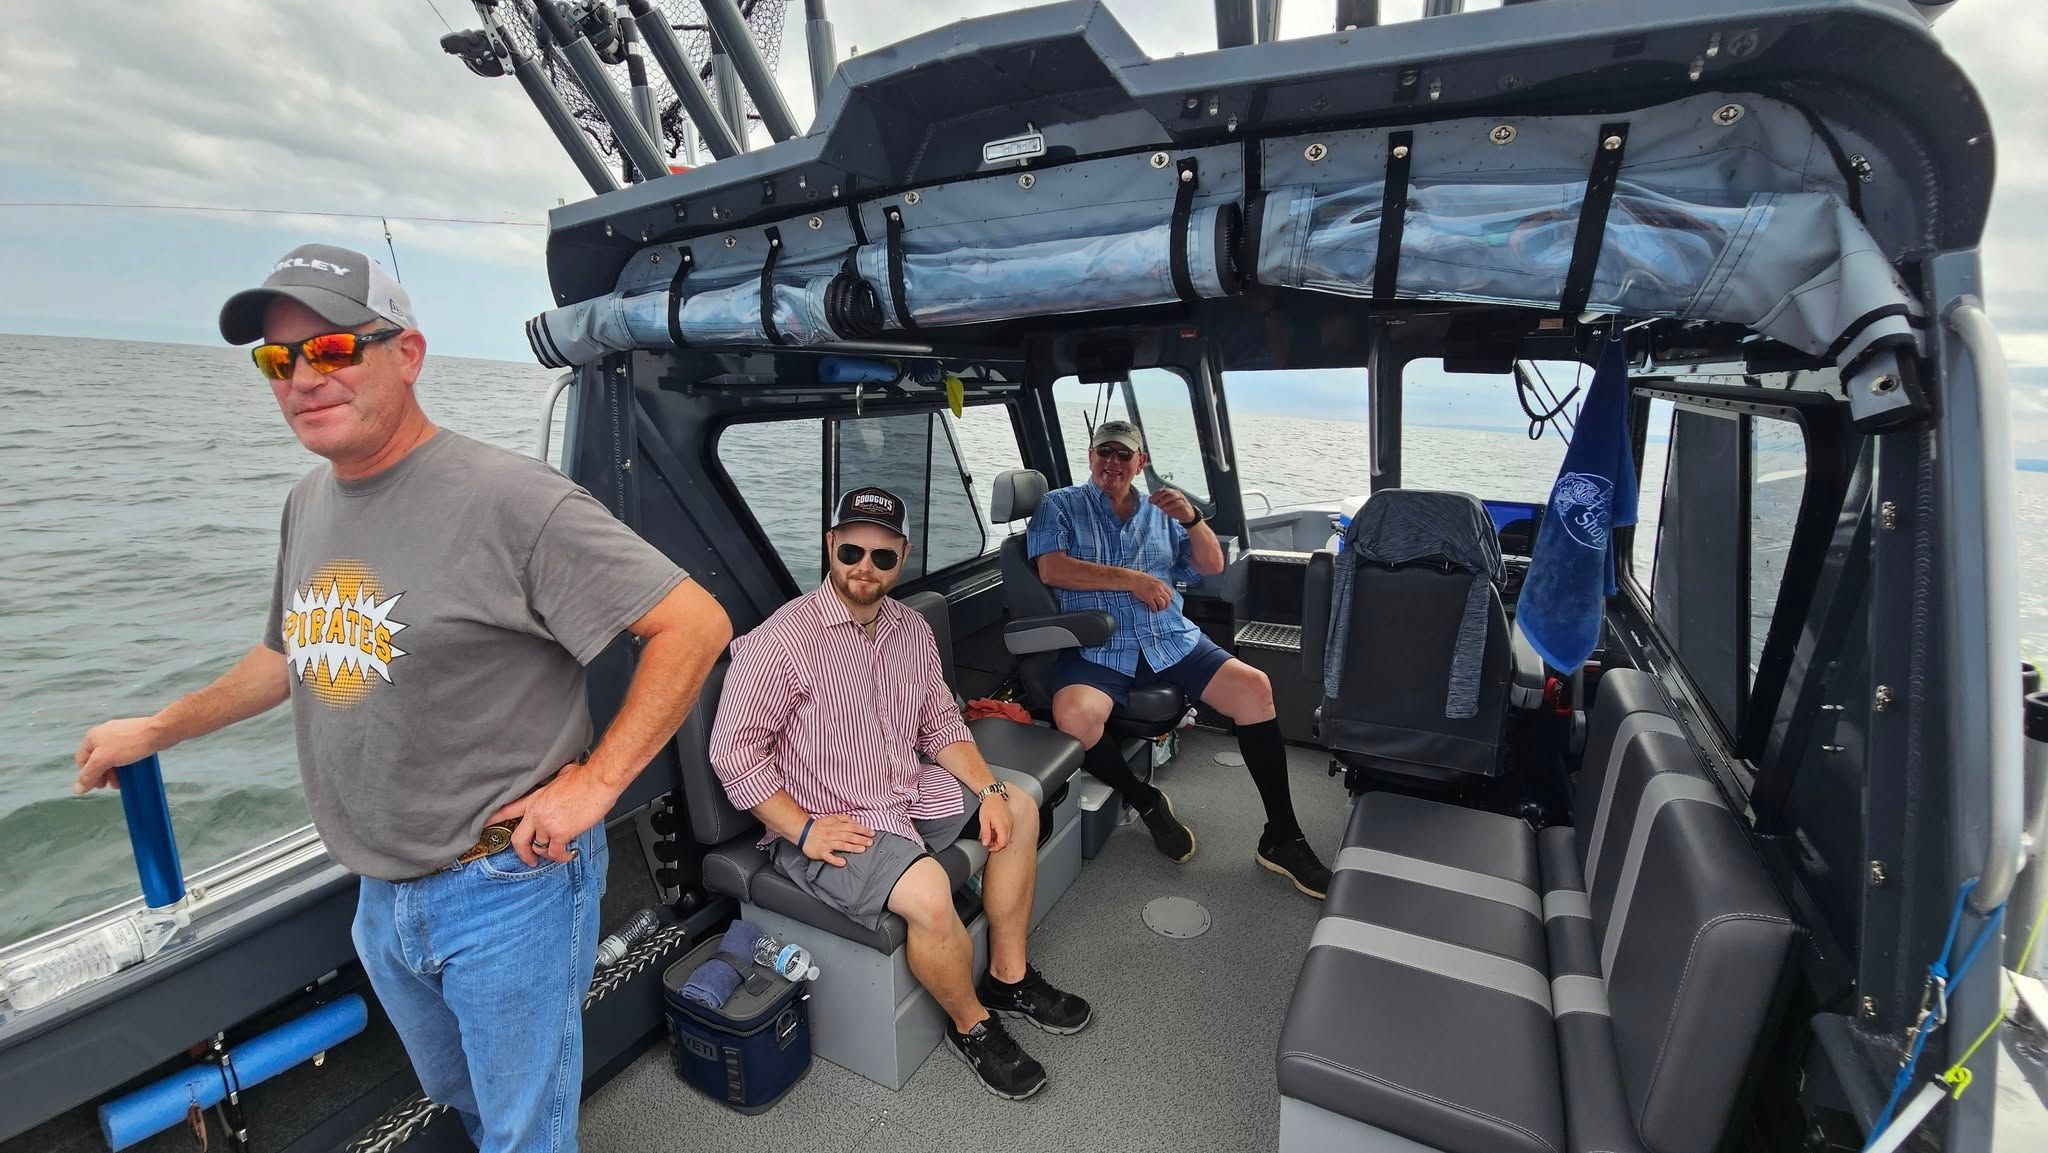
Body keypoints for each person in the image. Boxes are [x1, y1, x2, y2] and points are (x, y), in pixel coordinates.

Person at [71, 244, 732, 1153]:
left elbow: (693, 624)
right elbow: (289, 652)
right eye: (278, 360)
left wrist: (594, 785)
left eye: (332, 348)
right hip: (380, 893)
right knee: (459, 1093)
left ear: (407, 353)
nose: (303, 377)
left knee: (525, 1131)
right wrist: (158, 727)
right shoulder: (309, 501)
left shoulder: (513, 498)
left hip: (509, 885)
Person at [709, 486, 1091, 1101]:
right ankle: (973, 1025)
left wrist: (990, 788)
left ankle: (1007, 977)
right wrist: (803, 829)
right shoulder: (778, 643)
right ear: (830, 546)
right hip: (827, 818)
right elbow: (733, 754)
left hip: (902, 788)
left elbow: (940, 725)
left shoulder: (909, 630)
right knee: (930, 890)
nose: (866, 567)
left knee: (1019, 806)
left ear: (903, 558)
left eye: (883, 557)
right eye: (852, 550)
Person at [1027, 420, 1332, 899]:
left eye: (1123, 455)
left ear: (1140, 463)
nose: (1112, 462)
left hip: (1169, 636)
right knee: (1076, 720)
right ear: (1089, 456)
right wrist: (1131, 579)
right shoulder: (1060, 504)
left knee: (1255, 690)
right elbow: (1052, 567)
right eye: (1103, 451)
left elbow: (1211, 565)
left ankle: (1282, 837)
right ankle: (1144, 799)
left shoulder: (1161, 510)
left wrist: (1192, 520)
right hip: (1097, 646)